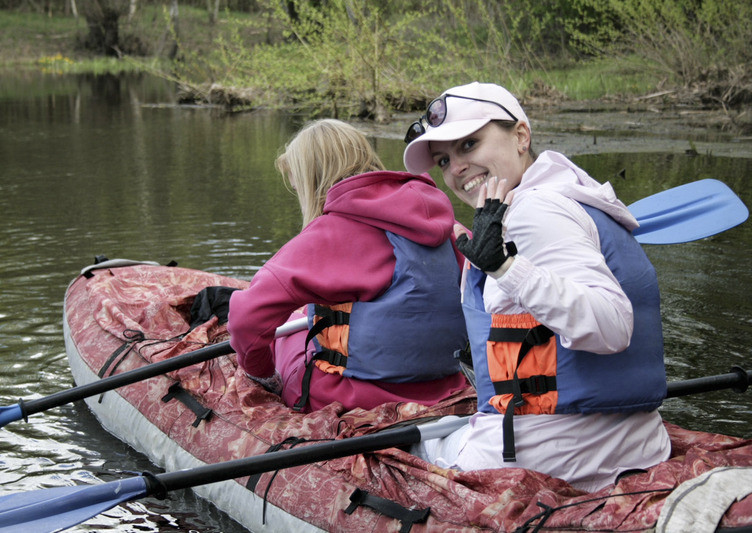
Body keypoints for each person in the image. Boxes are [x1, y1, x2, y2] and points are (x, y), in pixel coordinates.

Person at [402, 82, 671, 492]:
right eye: (443, 159)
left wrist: (507, 268)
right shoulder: (577, 196)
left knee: (404, 455)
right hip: (640, 444)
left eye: (470, 144)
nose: (456, 167)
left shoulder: (532, 212)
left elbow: (613, 325)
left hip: (550, 457)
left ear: (521, 136)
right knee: (444, 429)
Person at [227, 118, 470, 413]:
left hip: (358, 399)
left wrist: (261, 373)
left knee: (290, 335)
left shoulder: (330, 234)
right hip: (450, 387)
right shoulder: (448, 228)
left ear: (311, 181)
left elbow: (245, 319)